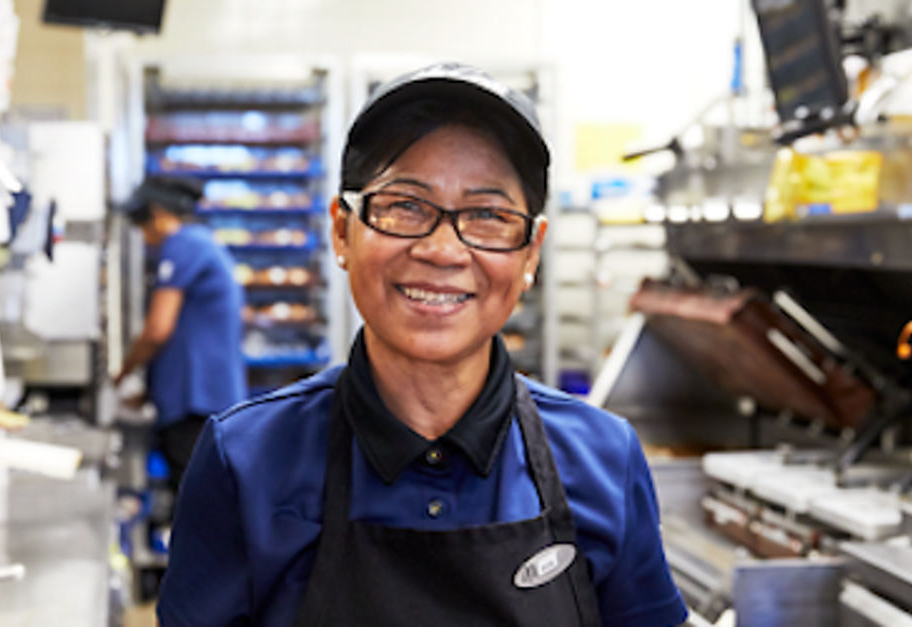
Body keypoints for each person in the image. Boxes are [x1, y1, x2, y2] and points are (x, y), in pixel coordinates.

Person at [157, 63, 688, 627]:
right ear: (342, 231)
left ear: (530, 254)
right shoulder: (244, 460)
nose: (442, 250)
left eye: (487, 215)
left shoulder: (602, 457)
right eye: (405, 206)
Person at [114, 176, 247, 494]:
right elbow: (189, 329)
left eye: (142, 225)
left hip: (196, 401)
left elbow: (158, 330)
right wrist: (149, 390)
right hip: (201, 397)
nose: (145, 239)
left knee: (194, 499)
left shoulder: (183, 244)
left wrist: (121, 373)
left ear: (158, 214)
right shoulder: (201, 243)